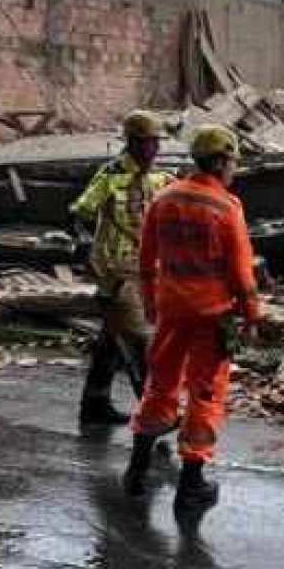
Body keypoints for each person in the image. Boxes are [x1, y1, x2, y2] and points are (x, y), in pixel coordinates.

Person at [122, 125, 262, 515]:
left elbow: (145, 259)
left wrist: (151, 304)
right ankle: (190, 486)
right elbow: (241, 273)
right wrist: (252, 316)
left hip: (170, 309)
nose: (233, 169)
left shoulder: (164, 198)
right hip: (210, 316)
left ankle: (135, 471)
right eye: (232, 162)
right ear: (219, 162)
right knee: (205, 393)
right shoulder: (226, 208)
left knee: (160, 384)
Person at [69, 110, 174, 428]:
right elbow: (80, 212)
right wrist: (86, 246)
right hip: (116, 270)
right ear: (131, 143)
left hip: (148, 269)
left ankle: (95, 403)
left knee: (112, 340)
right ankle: (155, 412)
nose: (153, 149)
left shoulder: (162, 178)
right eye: (147, 143)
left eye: (156, 142)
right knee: (141, 339)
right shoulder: (110, 176)